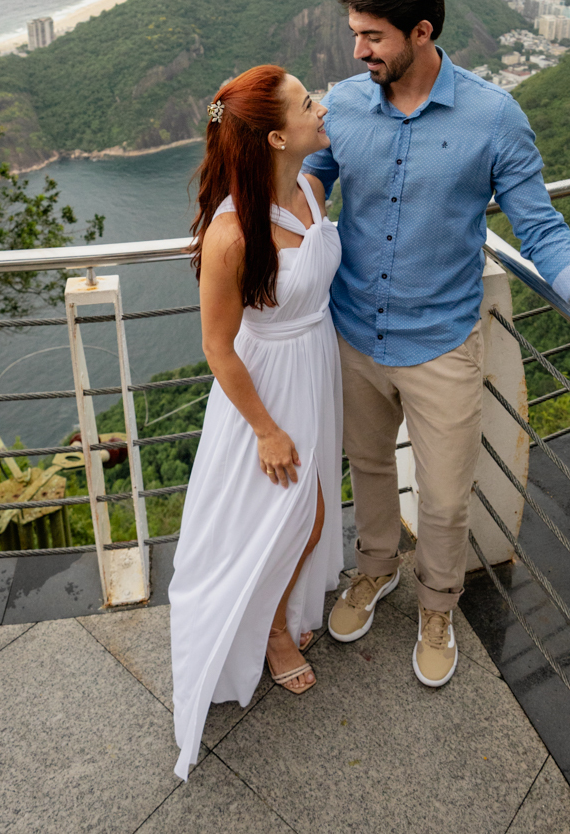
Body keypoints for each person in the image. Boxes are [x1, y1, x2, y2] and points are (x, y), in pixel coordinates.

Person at [303, 0, 570, 690]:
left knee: (444, 497)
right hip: (350, 333)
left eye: (372, 35)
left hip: (442, 344)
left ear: (419, 31)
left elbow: (541, 229)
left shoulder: (493, 116)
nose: (357, 50)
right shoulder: (344, 105)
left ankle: (438, 603)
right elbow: (308, 188)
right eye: (354, 33)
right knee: (370, 469)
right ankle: (375, 569)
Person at [169, 64, 344, 781]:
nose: (321, 104)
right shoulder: (233, 235)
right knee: (287, 518)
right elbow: (217, 345)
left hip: (317, 366)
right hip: (267, 385)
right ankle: (272, 633)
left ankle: (279, 610)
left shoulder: (309, 184)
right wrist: (266, 429)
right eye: (308, 103)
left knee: (311, 509)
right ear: (276, 135)